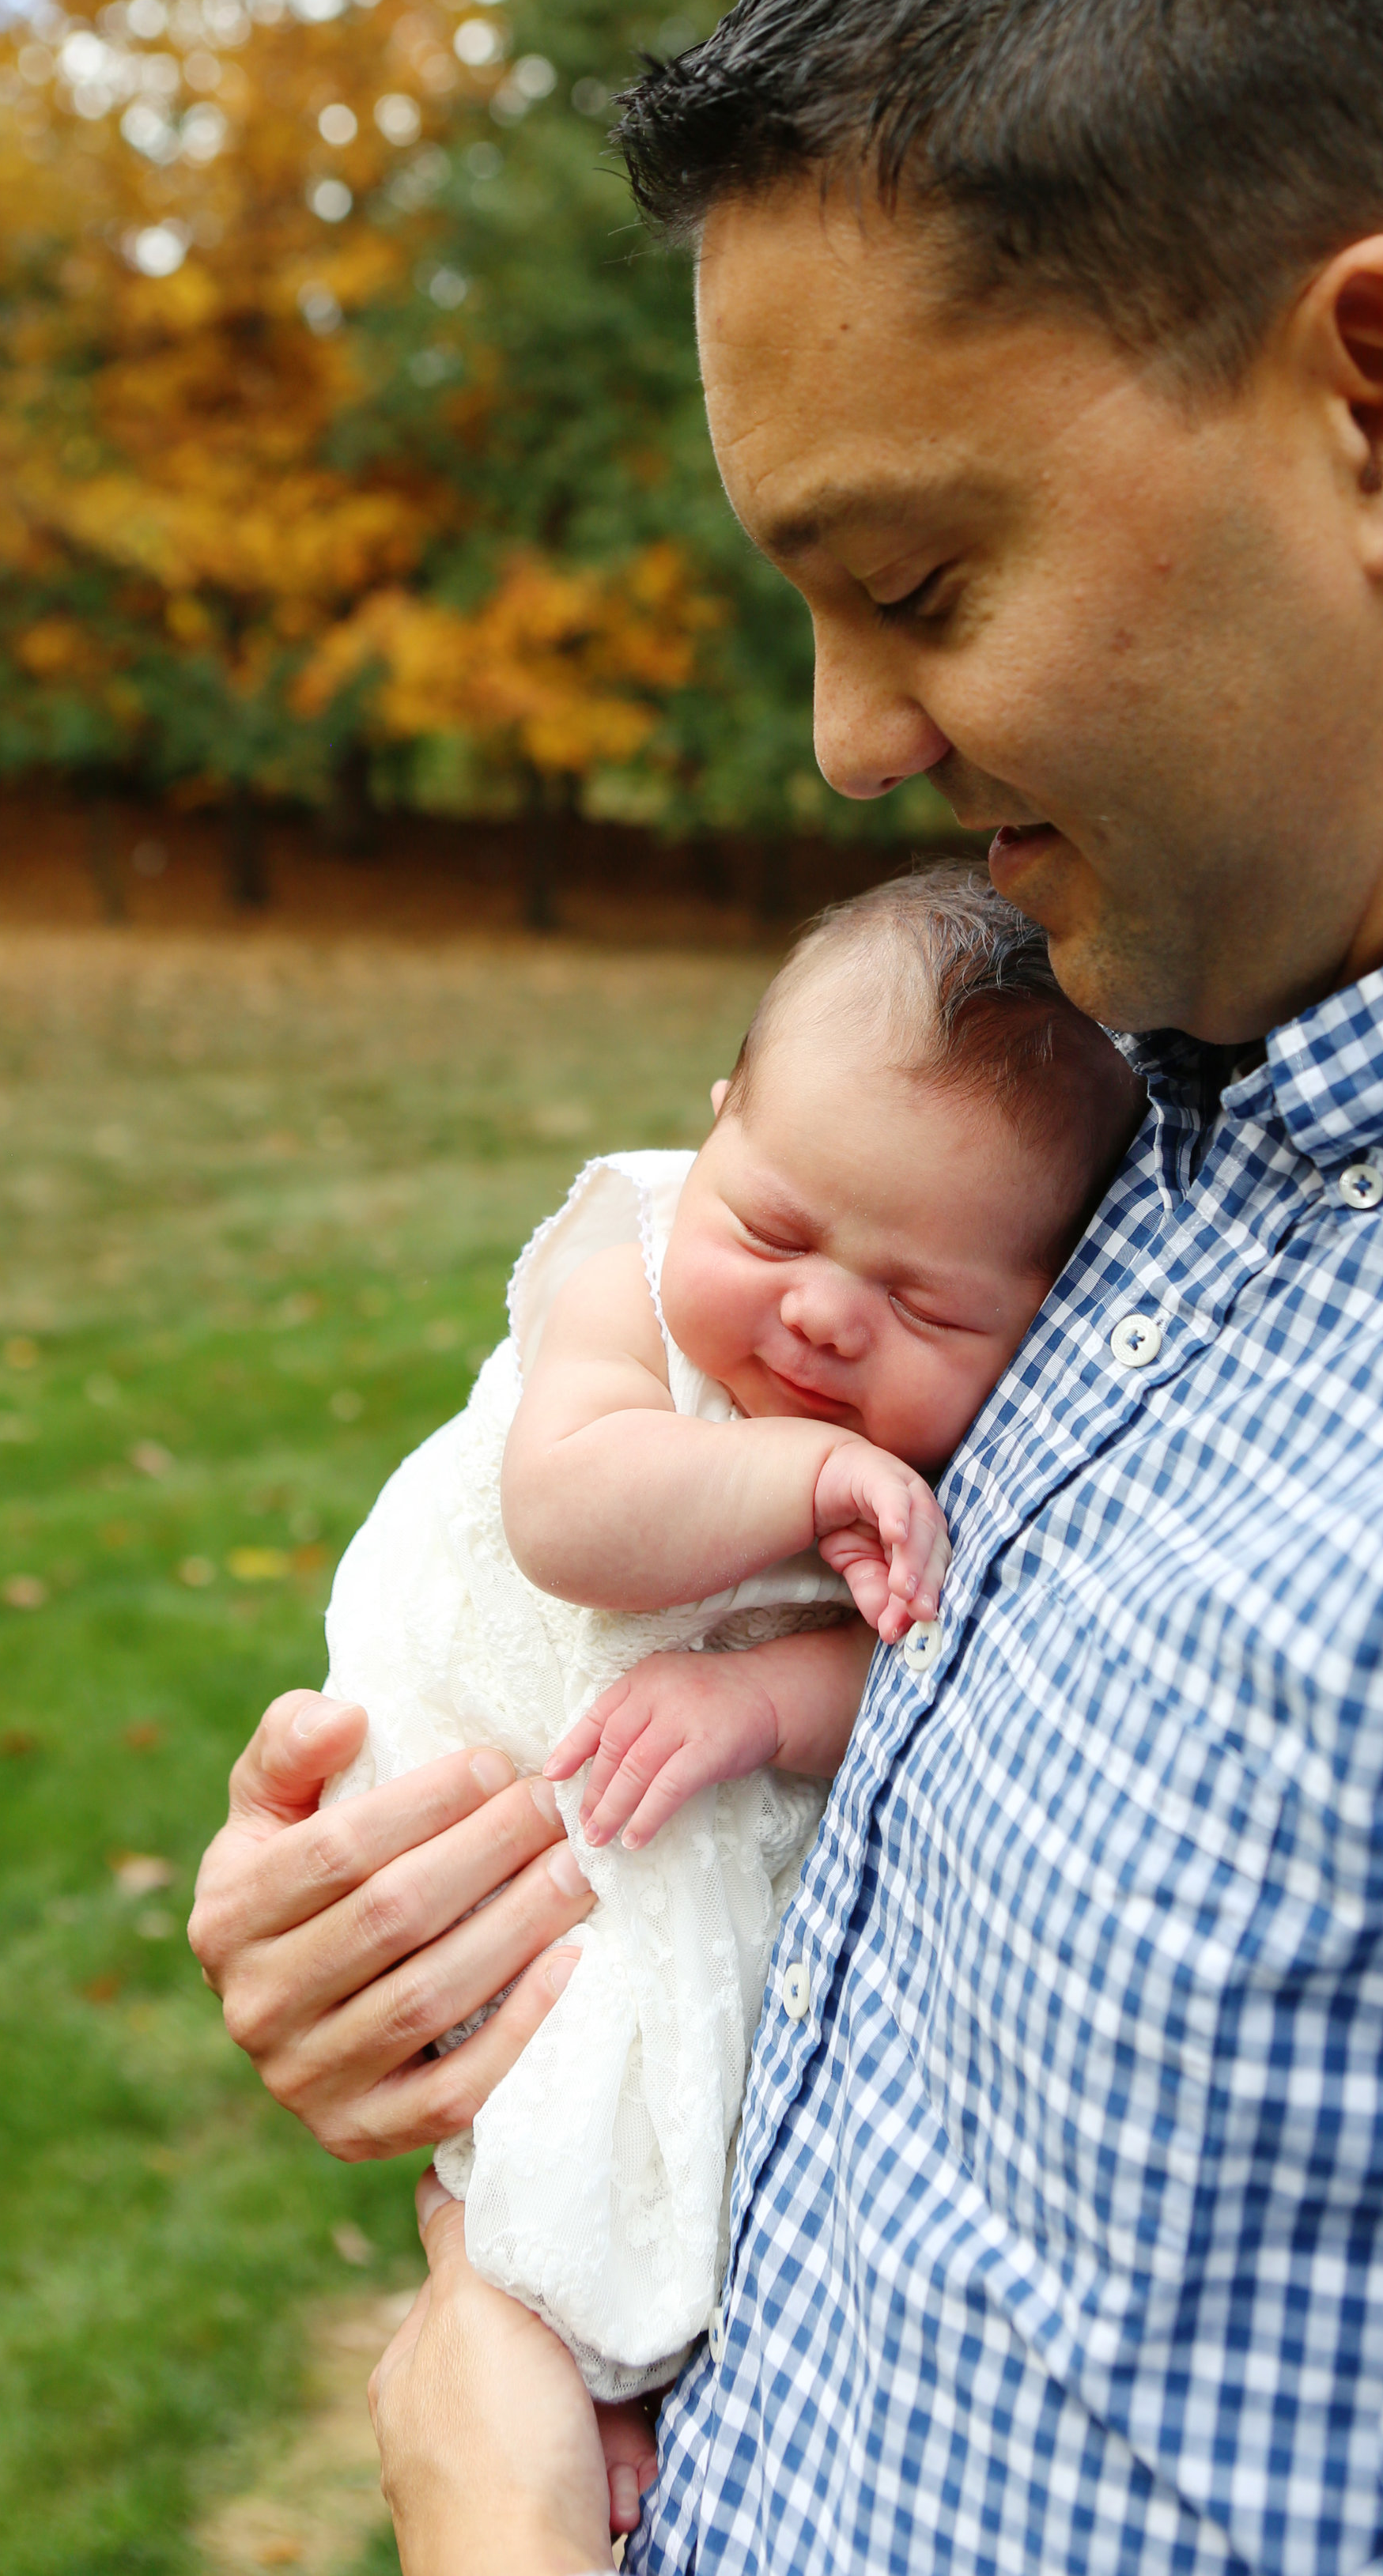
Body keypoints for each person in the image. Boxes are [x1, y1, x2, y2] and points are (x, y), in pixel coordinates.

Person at [190, 0, 1383, 2567]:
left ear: (1381, 395)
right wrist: (432, 1909)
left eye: (914, 577)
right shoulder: (1162, 1043)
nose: (848, 746)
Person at [319, 867, 1137, 2400]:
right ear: (712, 1130)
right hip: (502, 1743)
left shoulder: (949, 1452)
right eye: (772, 1225)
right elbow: (570, 1513)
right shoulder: (622, 1272)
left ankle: (617, 2380)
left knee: (690, 2090)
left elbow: (905, 1668)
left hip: (690, 1791)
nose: (822, 1316)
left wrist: (766, 1695)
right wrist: (809, 1471)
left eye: (924, 1303)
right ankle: (551, 2353)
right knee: (556, 2055)